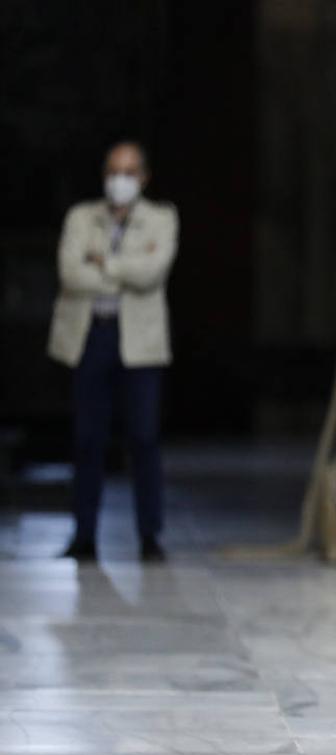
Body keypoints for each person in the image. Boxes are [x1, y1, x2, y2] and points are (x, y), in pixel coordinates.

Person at [49, 141, 179, 563]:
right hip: (92, 337)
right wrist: (124, 271)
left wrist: (103, 262)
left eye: (128, 172)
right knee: (88, 439)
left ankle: (149, 535)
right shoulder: (81, 217)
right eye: (113, 171)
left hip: (139, 341)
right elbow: (71, 273)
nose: (119, 180)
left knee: (143, 438)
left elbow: (152, 274)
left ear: (143, 178)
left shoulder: (162, 218)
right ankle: (84, 534)